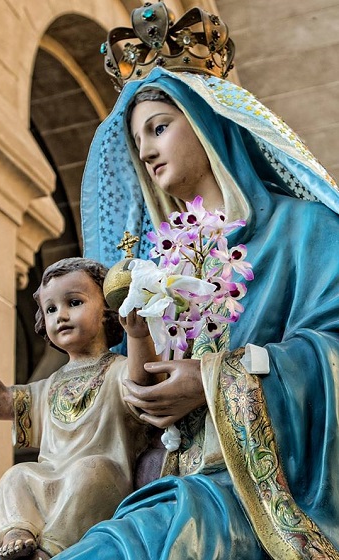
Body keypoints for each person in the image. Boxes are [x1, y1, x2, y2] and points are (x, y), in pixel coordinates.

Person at [48, 5, 339, 558]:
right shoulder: (163, 265)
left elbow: (333, 354)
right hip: (171, 483)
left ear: (207, 121)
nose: (148, 150)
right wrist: (135, 339)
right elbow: (144, 393)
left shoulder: (305, 231)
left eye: (159, 127)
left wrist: (212, 380)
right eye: (138, 142)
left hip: (262, 493)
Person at [0, 258, 157, 559]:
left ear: (108, 312)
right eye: (50, 309)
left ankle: (51, 547)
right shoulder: (49, 386)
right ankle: (19, 529)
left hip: (103, 479)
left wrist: (139, 336)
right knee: (16, 476)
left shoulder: (118, 370)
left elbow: (144, 384)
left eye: (73, 302)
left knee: (89, 471)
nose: (60, 315)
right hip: (49, 477)